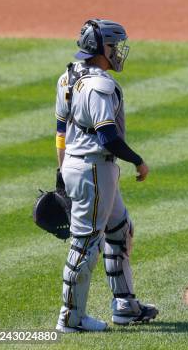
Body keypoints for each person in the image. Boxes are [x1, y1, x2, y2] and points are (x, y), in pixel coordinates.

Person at [55, 19, 158, 332]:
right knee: (86, 243)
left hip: (79, 164)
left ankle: (125, 304)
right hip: (94, 169)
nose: (117, 52)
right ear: (101, 49)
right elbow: (108, 137)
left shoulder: (67, 78)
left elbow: (61, 133)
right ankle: (71, 318)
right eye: (113, 46)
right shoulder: (101, 86)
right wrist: (138, 161)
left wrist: (61, 172)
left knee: (120, 229)